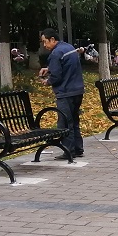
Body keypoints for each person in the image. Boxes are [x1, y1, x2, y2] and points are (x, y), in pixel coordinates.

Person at [38, 28, 85, 158]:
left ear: (52, 39)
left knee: (65, 122)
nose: (44, 45)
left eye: (45, 41)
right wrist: (49, 68)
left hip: (65, 92)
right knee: (74, 120)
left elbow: (56, 76)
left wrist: (47, 81)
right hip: (78, 90)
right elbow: (66, 65)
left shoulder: (56, 53)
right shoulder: (69, 48)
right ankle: (78, 148)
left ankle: (69, 151)